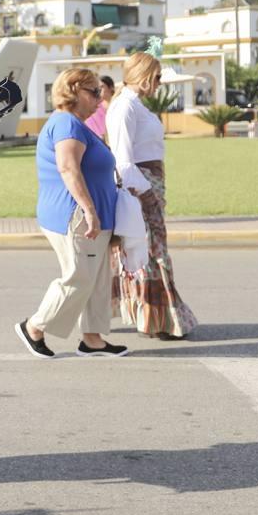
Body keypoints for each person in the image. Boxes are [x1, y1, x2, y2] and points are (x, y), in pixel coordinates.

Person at [16, 67, 128, 359]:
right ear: (74, 90)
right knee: (79, 277)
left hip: (93, 217)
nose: (99, 100)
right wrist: (90, 211)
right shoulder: (67, 124)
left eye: (101, 93)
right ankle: (34, 327)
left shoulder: (75, 124)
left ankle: (92, 339)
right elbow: (68, 168)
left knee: (96, 278)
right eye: (94, 92)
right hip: (76, 216)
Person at [106, 51, 197, 339]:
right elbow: (122, 160)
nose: (159, 83)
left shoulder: (134, 105)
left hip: (147, 183)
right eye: (156, 77)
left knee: (151, 250)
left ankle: (154, 317)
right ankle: (158, 318)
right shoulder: (125, 107)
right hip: (139, 187)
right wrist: (146, 194)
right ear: (144, 76)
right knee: (149, 252)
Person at [83, 74, 113, 140]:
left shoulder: (119, 105)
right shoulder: (94, 108)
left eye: (102, 87)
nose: (99, 90)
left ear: (111, 87)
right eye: (97, 88)